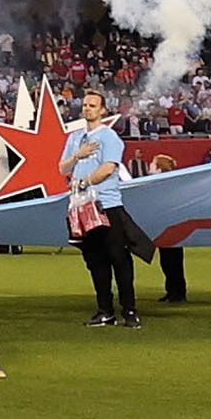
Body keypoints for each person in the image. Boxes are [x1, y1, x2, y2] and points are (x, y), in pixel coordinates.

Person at [63, 90, 138, 326]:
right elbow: (63, 168)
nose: (87, 109)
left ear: (103, 110)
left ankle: (130, 310)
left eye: (93, 105)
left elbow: (108, 168)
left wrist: (84, 182)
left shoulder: (110, 137)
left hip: (107, 204)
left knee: (119, 258)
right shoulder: (74, 138)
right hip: (81, 207)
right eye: (85, 105)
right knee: (95, 260)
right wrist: (78, 155)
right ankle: (105, 309)